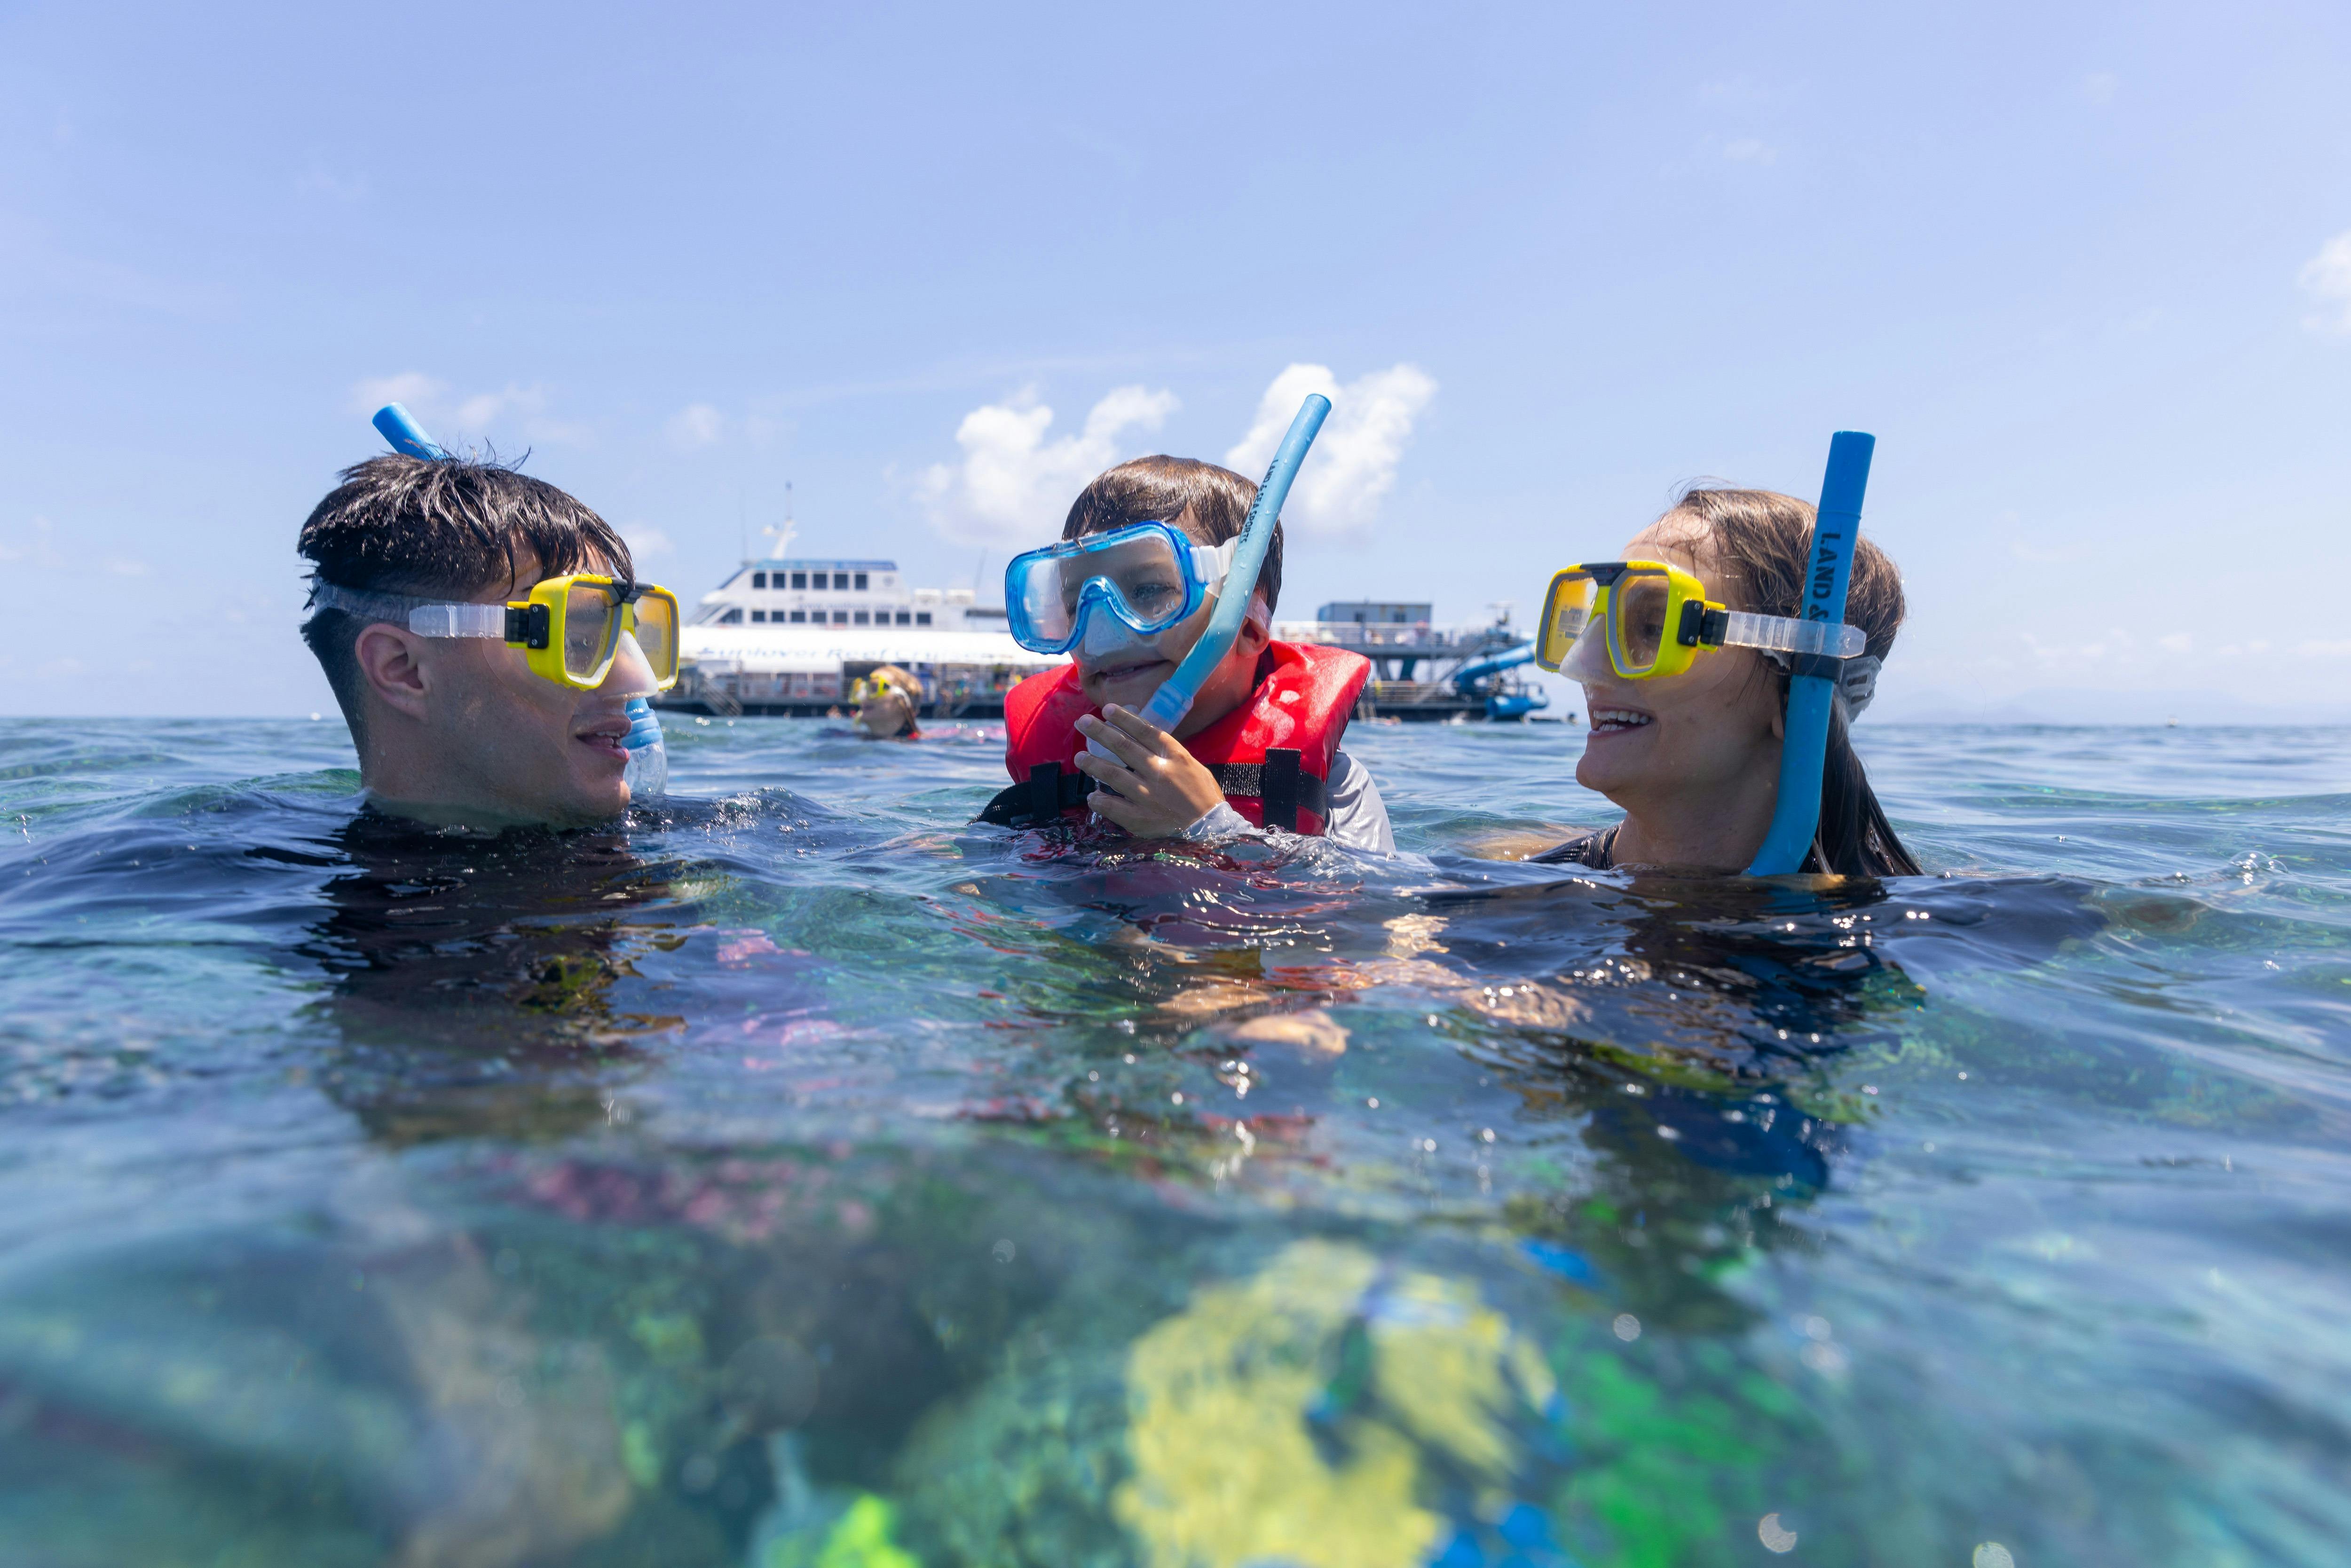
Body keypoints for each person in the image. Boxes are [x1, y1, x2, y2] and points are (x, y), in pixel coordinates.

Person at [978, 456, 1394, 852]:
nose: (1101, 633)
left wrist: (1209, 829)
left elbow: (1380, 916)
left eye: (1148, 590)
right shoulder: (1054, 774)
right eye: (1076, 606)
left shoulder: (1331, 786)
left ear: (1247, 627)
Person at [1530, 486, 1920, 875]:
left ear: (1799, 696)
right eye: (1593, 625)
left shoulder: (1929, 923)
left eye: (1652, 627)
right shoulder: (1516, 889)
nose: (1583, 665)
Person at [297, 453, 680, 827]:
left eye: (627, 637)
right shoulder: (257, 863)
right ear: (403, 669)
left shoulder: (716, 839)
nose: (635, 682)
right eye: (577, 641)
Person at [849, 664, 923, 740]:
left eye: (875, 688)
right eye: (863, 689)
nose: (864, 696)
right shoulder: (849, 737)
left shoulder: (922, 744)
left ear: (902, 700)